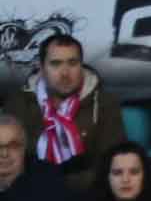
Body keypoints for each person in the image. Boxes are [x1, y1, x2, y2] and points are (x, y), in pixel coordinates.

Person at [4, 34, 123, 192]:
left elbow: (113, 164)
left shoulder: (105, 103)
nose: (65, 73)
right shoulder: (18, 104)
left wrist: (60, 185)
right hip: (30, 195)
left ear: (81, 65)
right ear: (42, 68)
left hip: (87, 195)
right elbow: (8, 164)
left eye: (72, 63)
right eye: (56, 64)